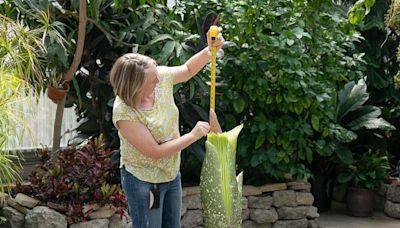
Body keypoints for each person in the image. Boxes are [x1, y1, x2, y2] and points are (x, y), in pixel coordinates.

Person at [110, 27, 224, 228]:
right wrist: (194, 135)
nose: (159, 81)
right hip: (143, 180)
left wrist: (209, 50)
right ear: (135, 86)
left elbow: (188, 70)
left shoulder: (157, 77)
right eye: (153, 81)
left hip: (170, 174)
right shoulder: (124, 112)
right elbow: (155, 152)